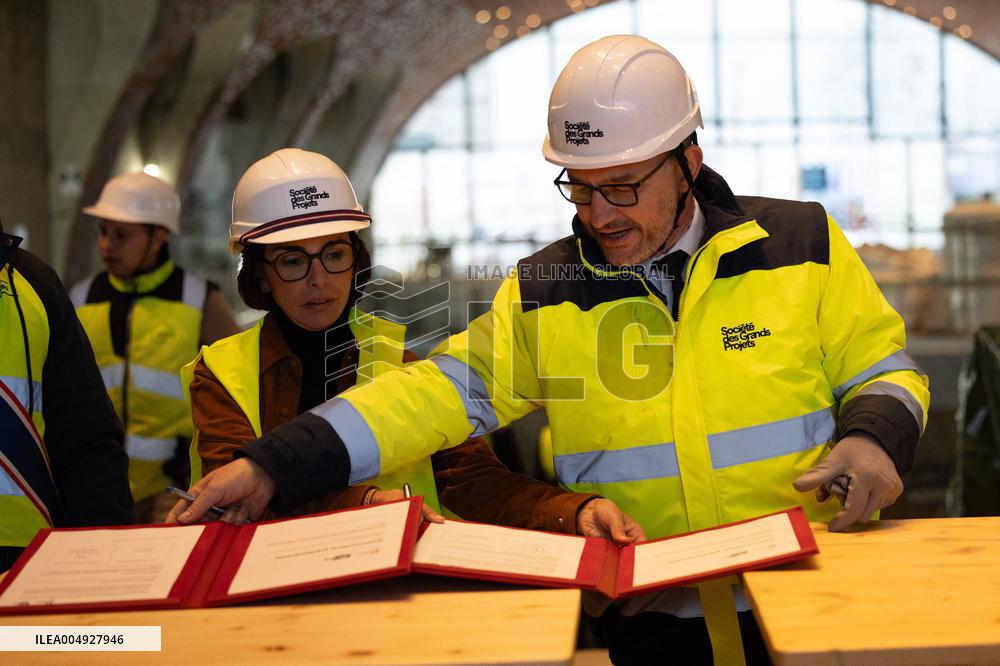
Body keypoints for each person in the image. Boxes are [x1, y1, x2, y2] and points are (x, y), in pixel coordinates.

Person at [171, 36, 930, 665]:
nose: (599, 214)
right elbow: (429, 396)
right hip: (647, 615)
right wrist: (274, 463)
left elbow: (882, 368)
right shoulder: (546, 289)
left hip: (808, 595)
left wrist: (873, 438)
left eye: (624, 187)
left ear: (688, 162)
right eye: (580, 187)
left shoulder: (800, 245)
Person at [180, 147, 632, 535]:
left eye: (334, 255)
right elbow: (236, 498)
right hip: (262, 597)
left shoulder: (401, 363)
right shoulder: (221, 373)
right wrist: (364, 506)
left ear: (356, 260)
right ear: (260, 272)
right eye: (293, 261)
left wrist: (573, 512)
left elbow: (471, 479)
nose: (318, 280)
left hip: (389, 595)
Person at [70, 172, 239, 523]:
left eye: (121, 235)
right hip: (99, 490)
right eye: (103, 232)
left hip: (174, 493)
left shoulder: (198, 300)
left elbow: (239, 392)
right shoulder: (81, 299)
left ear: (159, 235)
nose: (106, 245)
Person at [0, 221, 132, 572]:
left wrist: (106, 566)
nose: (108, 245)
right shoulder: (80, 291)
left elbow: (87, 441)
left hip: (33, 568)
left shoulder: (35, 284)